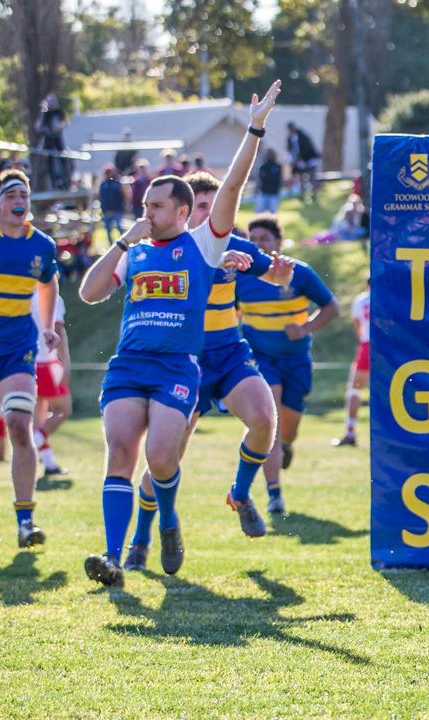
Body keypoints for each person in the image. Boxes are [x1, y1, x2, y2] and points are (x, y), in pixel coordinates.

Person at [76, 79, 283, 588]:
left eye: (156, 207)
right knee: (121, 450)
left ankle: (167, 520)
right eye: (144, 206)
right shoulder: (137, 249)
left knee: (161, 457)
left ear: (183, 212)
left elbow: (231, 187)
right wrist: (124, 241)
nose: (146, 212)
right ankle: (112, 556)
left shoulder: (204, 245)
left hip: (177, 368)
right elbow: (89, 292)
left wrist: (254, 127)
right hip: (129, 365)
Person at [123, 170, 295, 572]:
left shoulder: (234, 244)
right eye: (206, 206)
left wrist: (280, 275)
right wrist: (218, 267)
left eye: (219, 205)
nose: (216, 213)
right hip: (184, 363)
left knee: (265, 419)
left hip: (229, 354)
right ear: (185, 211)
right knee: (164, 460)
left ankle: (240, 493)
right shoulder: (168, 249)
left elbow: (271, 274)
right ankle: (142, 539)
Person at [237, 214, 340, 513]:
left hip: (295, 360)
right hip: (261, 360)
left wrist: (305, 328)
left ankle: (286, 447)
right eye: (252, 240)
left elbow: (332, 308)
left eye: (263, 240)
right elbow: (227, 314)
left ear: (278, 244)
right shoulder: (240, 277)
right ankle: (274, 495)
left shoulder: (300, 273)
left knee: (287, 431)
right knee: (273, 419)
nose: (257, 245)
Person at [0, 169, 61, 548]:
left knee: (20, 425)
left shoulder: (43, 245)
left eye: (24, 194)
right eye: (10, 195)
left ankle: (26, 521)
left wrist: (49, 324)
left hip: (17, 347)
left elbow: (48, 281)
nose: (18, 201)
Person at [32, 291, 71, 476]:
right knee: (63, 410)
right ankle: (33, 443)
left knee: (39, 415)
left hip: (26, 362)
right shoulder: (53, 296)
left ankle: (49, 464)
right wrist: (67, 364)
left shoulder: (22, 291)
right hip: (46, 361)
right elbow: (59, 331)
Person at [333, 279, 370, 448]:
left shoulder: (361, 300)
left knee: (354, 389)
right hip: (387, 348)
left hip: (367, 346)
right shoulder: (390, 297)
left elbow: (358, 327)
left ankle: (350, 432)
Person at [286, 122, 321, 202]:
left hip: (309, 158)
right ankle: (302, 195)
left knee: (312, 177)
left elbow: (307, 148)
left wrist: (301, 158)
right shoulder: (289, 138)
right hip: (299, 160)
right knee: (300, 177)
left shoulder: (302, 135)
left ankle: (314, 195)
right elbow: (290, 149)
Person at [99, 164, 126, 244]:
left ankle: (123, 243)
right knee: (108, 229)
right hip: (107, 210)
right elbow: (101, 197)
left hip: (117, 209)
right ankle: (111, 244)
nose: (108, 175)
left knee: (119, 227)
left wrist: (123, 207)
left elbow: (124, 195)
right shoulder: (103, 184)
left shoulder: (117, 183)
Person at [256, 147, 283, 213]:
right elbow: (261, 179)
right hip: (264, 192)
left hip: (274, 193)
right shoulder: (263, 167)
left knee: (273, 212)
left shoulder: (278, 166)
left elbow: (278, 179)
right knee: (260, 212)